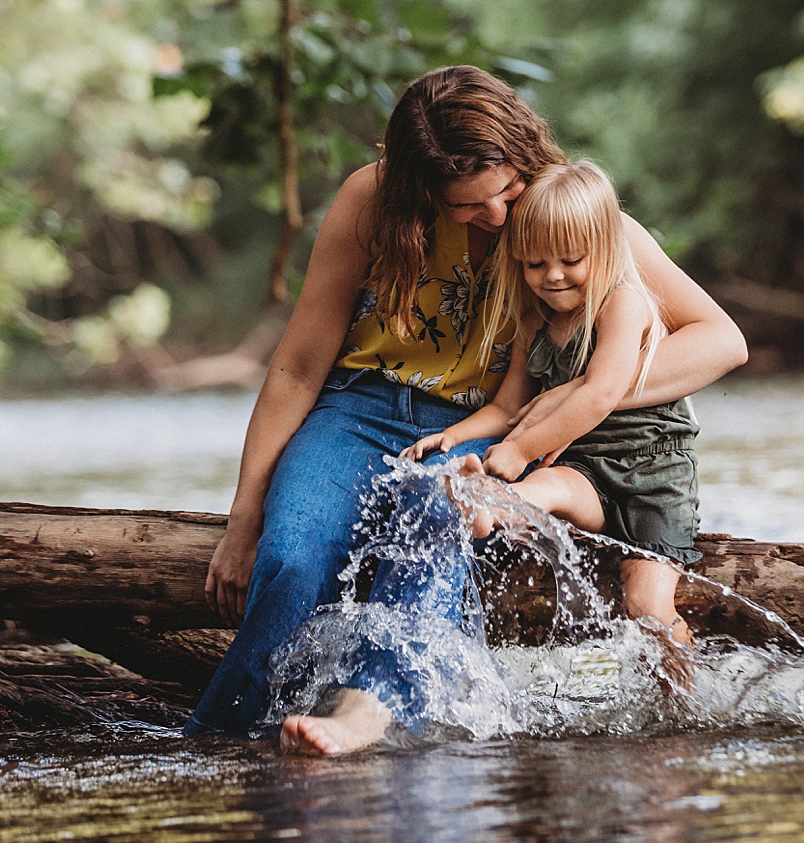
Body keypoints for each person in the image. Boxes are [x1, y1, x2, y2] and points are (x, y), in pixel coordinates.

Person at [188, 66, 747, 755]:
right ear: (420, 192)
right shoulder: (369, 201)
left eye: (505, 190)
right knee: (291, 560)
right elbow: (299, 366)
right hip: (360, 410)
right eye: (466, 207)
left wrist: (582, 393)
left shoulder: (566, 216)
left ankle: (369, 711)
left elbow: (721, 339)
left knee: (440, 509)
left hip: (489, 421)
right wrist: (243, 518)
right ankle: (219, 740)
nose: (497, 217)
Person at [400, 159, 700, 644]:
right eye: (536, 264)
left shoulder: (623, 304)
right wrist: (452, 436)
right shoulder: (534, 320)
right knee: (548, 485)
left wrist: (519, 450)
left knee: (646, 607)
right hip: (583, 467)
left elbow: (601, 392)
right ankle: (488, 507)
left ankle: (687, 700)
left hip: (652, 475)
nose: (553, 276)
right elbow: (506, 408)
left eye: (570, 261)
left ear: (603, 248)